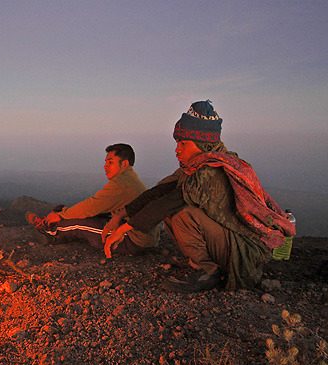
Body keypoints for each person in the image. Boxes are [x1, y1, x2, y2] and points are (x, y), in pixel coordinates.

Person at [103, 100, 296, 293]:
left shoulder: (211, 170)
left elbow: (172, 200)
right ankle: (202, 262)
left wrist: (125, 228)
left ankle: (211, 272)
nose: (177, 150)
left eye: (184, 143)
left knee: (181, 212)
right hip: (232, 243)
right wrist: (121, 215)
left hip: (244, 254)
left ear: (203, 143)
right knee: (170, 206)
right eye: (177, 143)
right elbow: (161, 192)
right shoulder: (195, 167)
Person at [26, 143, 159, 254]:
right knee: (73, 213)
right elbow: (99, 208)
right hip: (138, 235)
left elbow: (90, 207)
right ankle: (51, 220)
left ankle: (50, 232)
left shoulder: (122, 183)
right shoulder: (129, 179)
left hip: (132, 240)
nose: (105, 166)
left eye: (110, 162)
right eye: (106, 162)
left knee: (78, 223)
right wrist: (63, 212)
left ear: (124, 164)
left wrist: (61, 215)